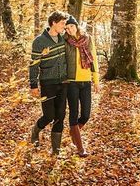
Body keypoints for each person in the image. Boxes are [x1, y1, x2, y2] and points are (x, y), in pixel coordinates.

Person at [29, 11, 68, 155]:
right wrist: (33, 85)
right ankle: (35, 130)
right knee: (49, 116)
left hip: (63, 82)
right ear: (53, 23)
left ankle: (56, 150)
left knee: (60, 115)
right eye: (62, 23)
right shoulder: (39, 41)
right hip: (47, 83)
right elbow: (34, 64)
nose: (64, 26)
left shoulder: (64, 39)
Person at [64, 15, 100, 157]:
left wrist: (96, 80)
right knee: (73, 113)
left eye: (71, 26)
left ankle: (74, 131)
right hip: (71, 82)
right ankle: (80, 148)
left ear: (76, 25)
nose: (69, 30)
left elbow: (94, 58)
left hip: (86, 81)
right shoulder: (65, 41)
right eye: (66, 28)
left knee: (85, 114)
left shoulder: (88, 39)